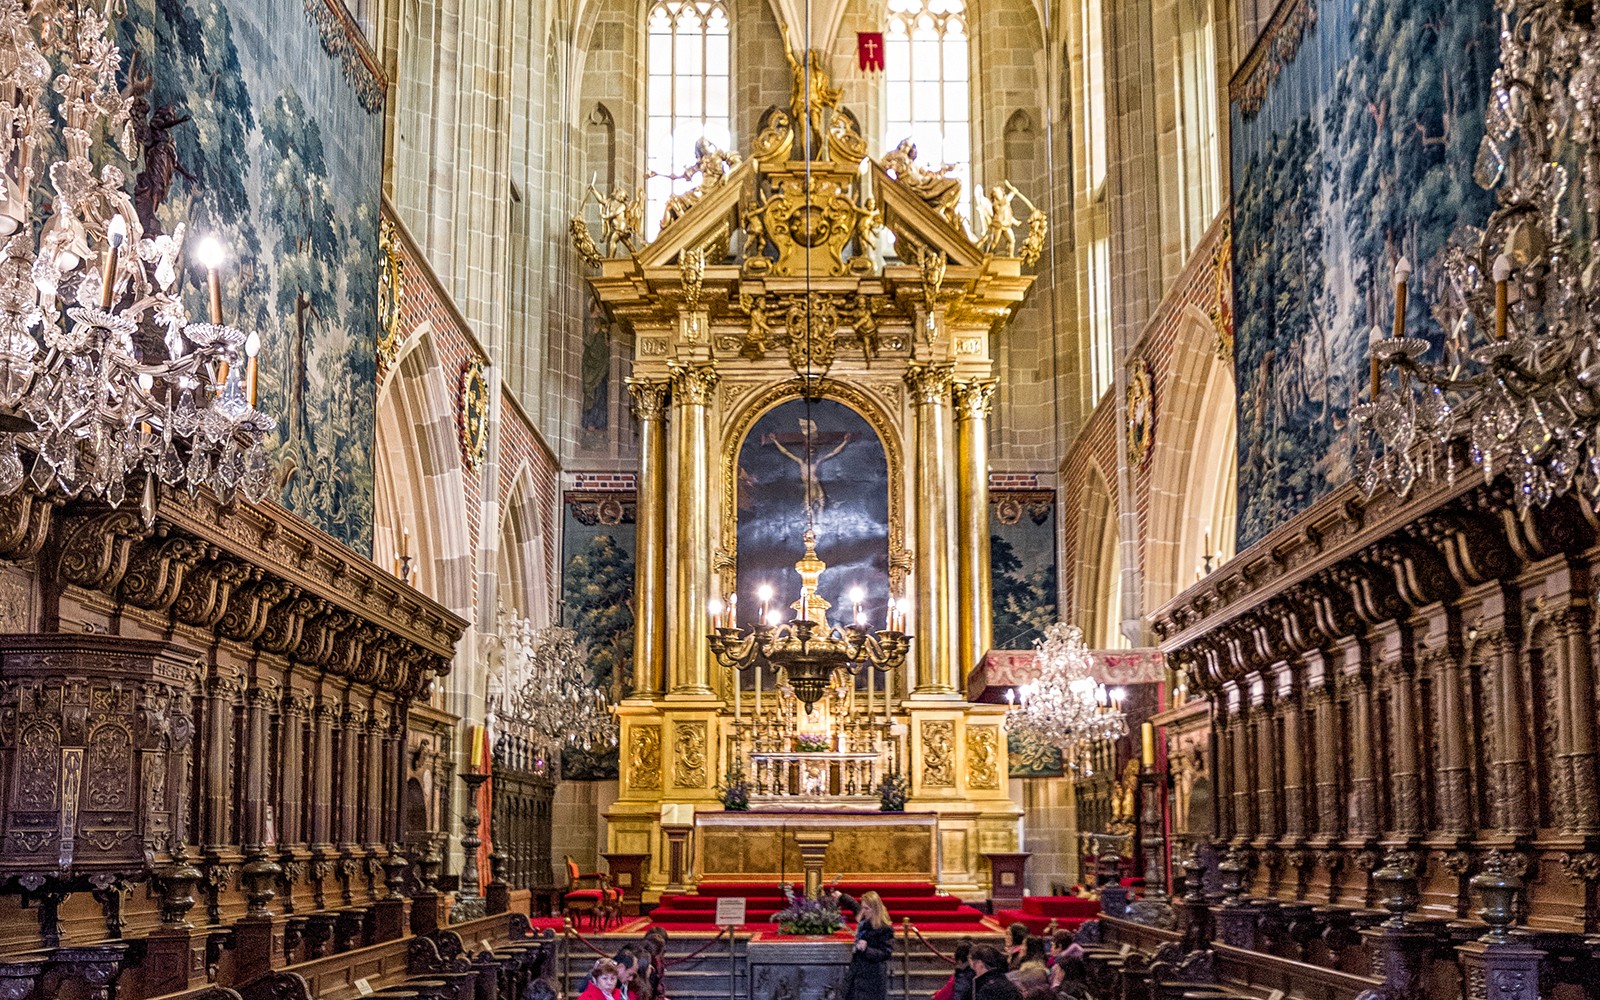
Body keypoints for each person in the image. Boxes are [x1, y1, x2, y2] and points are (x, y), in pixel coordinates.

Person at [844, 890, 894, 1000]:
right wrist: (842, 896)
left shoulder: (885, 928)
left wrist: (866, 949)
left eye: (866, 908)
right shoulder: (865, 921)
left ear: (874, 909)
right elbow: (854, 906)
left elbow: (886, 953)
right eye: (863, 907)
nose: (863, 911)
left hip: (873, 979)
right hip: (857, 975)